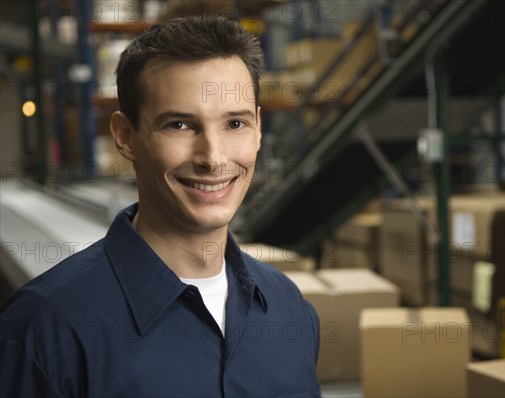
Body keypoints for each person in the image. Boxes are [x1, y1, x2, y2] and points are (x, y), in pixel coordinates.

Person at [0, 16, 321, 397]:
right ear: (125, 137)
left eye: (235, 124)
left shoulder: (290, 310)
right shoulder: (45, 332)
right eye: (180, 126)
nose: (213, 158)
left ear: (258, 131)